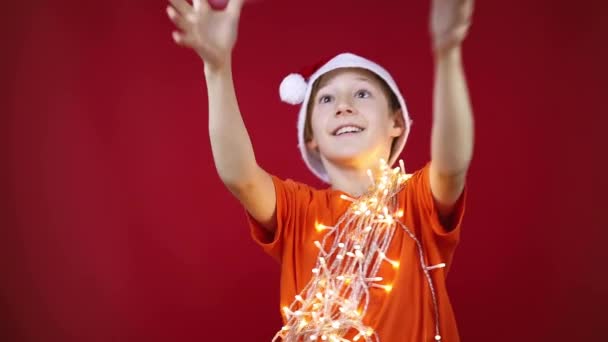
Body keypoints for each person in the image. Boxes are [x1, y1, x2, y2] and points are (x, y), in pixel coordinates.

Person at [166, 0, 474, 340]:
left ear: (396, 123)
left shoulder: (416, 203)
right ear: (310, 137)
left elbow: (453, 163)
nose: (344, 106)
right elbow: (240, 176)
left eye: (361, 93)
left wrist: (448, 55)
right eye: (326, 99)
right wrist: (217, 69)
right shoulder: (300, 212)